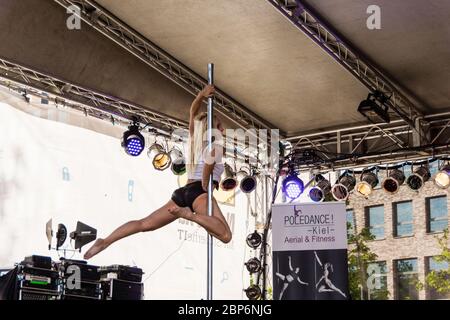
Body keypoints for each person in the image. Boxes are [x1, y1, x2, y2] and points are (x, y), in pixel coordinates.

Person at [84, 85, 232, 259]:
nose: (222, 130)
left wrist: (201, 95)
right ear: (212, 129)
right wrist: (208, 189)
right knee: (226, 236)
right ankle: (188, 216)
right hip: (199, 193)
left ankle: (106, 241)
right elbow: (207, 170)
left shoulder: (194, 141)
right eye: (219, 126)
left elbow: (193, 113)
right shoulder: (216, 146)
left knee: (144, 223)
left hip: (183, 193)